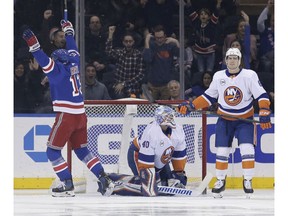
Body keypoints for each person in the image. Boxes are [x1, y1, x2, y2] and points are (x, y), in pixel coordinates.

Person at [22, 19, 115, 197]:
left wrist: (31, 41)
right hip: (81, 114)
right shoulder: (74, 63)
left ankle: (67, 183)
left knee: (52, 151)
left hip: (67, 116)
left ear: (57, 61)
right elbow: (73, 48)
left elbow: (40, 57)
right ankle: (103, 178)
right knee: (82, 150)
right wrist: (69, 31)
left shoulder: (56, 71)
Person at [178, 48, 272, 198]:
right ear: (225, 60)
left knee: (247, 150)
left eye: (235, 58)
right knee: (222, 152)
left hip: (244, 121)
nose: (232, 60)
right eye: (229, 58)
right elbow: (209, 96)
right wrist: (192, 106)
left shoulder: (249, 75)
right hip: (225, 120)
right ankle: (220, 181)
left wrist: (265, 110)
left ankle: (247, 180)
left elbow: (261, 94)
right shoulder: (218, 76)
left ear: (240, 60)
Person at [105, 105, 187, 196]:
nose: (171, 118)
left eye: (171, 116)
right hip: (137, 154)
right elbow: (145, 163)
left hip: (159, 160)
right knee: (149, 189)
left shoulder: (178, 131)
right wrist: (150, 181)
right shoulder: (151, 132)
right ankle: (113, 185)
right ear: (161, 118)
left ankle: (116, 179)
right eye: (168, 116)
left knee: (167, 185)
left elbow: (179, 154)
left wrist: (179, 173)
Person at [105, 26, 145, 99]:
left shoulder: (138, 54)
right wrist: (110, 35)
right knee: (118, 95)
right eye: (126, 41)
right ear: (123, 42)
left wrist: (124, 84)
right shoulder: (119, 52)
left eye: (130, 41)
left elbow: (140, 75)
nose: (128, 43)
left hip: (133, 87)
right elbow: (109, 51)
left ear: (133, 42)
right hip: (119, 86)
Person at [143, 25, 180, 100]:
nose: (159, 40)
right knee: (150, 107)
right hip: (153, 84)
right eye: (157, 38)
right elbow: (147, 59)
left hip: (166, 84)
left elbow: (183, 56)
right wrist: (146, 41)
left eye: (161, 38)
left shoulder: (170, 45)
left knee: (165, 107)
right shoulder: (151, 45)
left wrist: (176, 42)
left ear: (165, 36)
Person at [257, 0, 274, 74]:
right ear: (270, 22)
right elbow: (259, 22)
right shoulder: (265, 31)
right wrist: (267, 7)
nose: (275, 23)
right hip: (266, 59)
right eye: (273, 21)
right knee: (267, 65)